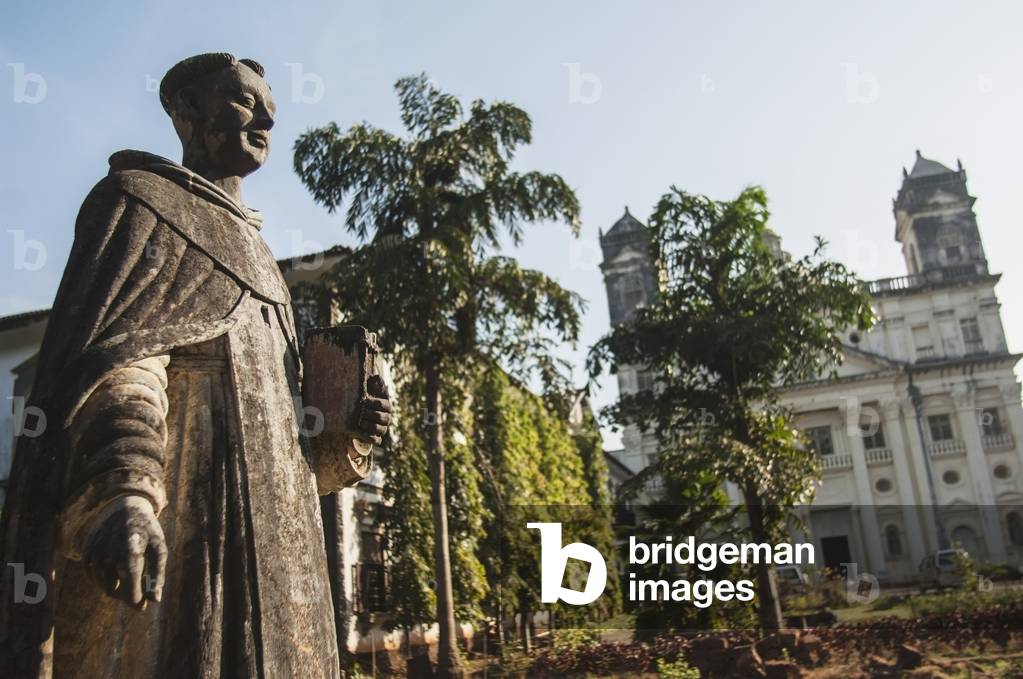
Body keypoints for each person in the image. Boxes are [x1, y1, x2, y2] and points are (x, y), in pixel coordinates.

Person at [0, 52, 392, 679]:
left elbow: (287, 450)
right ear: (186, 111)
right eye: (243, 103)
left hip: (286, 566)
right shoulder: (139, 203)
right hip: (191, 540)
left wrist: (341, 437)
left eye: (270, 111)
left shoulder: (262, 254)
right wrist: (123, 494)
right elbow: (122, 369)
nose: (263, 119)